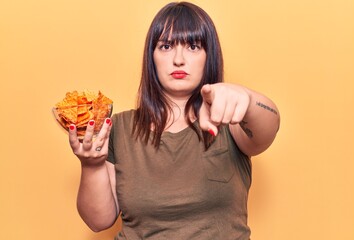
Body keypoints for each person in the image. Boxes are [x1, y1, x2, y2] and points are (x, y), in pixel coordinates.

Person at [68, 2, 280, 239]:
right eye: (166, 46)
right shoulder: (119, 127)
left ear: (209, 55)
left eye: (193, 46)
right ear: (152, 56)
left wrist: (248, 99)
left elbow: (269, 127)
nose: (179, 59)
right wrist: (91, 165)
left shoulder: (231, 120)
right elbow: (99, 221)